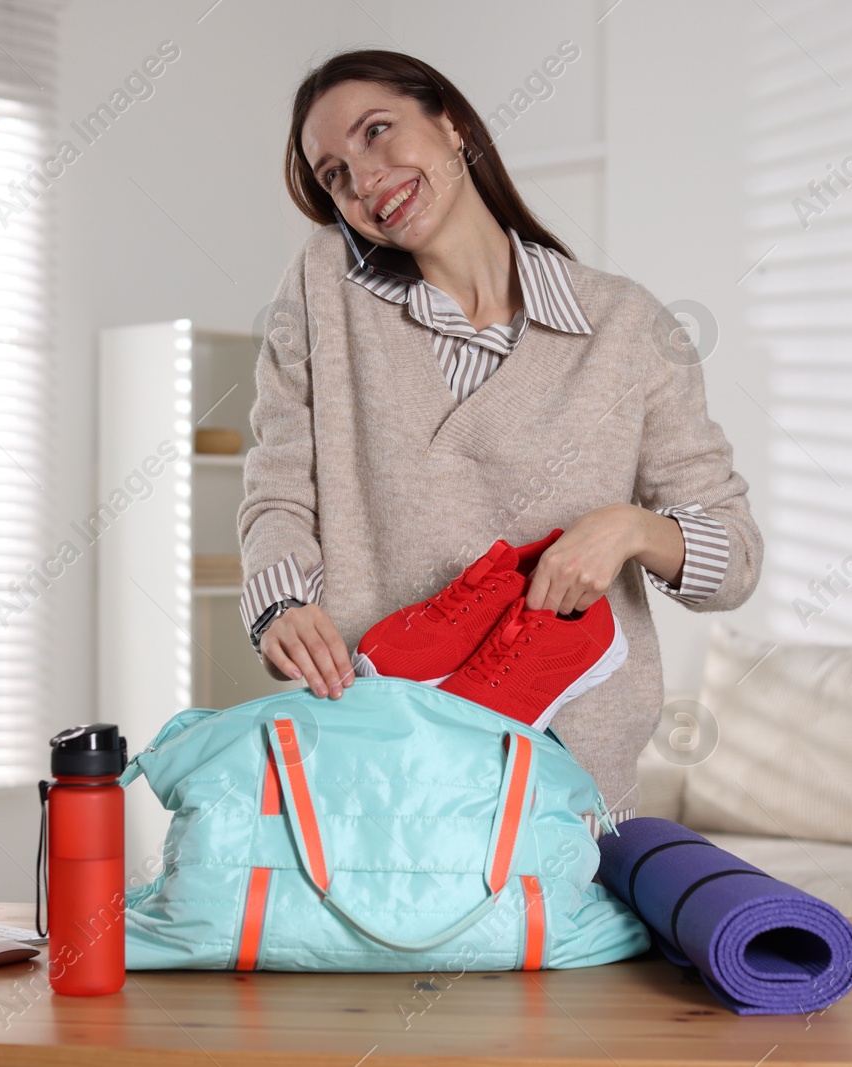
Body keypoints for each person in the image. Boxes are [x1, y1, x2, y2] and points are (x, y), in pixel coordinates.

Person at [238, 48, 761, 832]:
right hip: (381, 762)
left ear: (450, 124)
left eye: (378, 132)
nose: (365, 177)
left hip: (568, 783)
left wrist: (627, 529)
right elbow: (277, 489)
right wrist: (278, 603)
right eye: (335, 174)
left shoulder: (626, 327)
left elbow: (735, 559)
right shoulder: (322, 288)